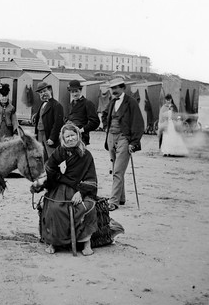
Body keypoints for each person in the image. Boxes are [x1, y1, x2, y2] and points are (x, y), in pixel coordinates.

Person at [30, 123, 98, 256]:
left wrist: (81, 192)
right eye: (67, 136)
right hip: (61, 186)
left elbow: (91, 177)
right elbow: (49, 170)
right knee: (53, 208)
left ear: (78, 135)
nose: (70, 139)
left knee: (86, 207)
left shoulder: (86, 155)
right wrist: (42, 182)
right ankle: (53, 242)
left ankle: (86, 243)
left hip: (80, 188)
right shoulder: (59, 152)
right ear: (63, 138)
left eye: (73, 135)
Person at [101, 77, 144, 211]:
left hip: (124, 138)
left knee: (118, 170)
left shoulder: (131, 102)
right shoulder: (112, 101)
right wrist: (105, 126)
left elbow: (138, 123)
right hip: (111, 137)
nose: (114, 91)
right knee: (115, 169)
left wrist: (134, 142)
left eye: (116, 88)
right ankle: (121, 198)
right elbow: (105, 114)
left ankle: (113, 202)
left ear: (123, 88)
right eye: (112, 88)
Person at [32, 81, 64, 160]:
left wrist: (52, 138)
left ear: (50, 90)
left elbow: (58, 124)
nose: (43, 94)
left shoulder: (57, 105)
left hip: (48, 135)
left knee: (52, 157)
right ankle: (45, 171)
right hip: (39, 134)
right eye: (41, 92)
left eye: (45, 91)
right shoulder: (42, 104)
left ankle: (54, 172)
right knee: (42, 156)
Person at [65, 79, 100, 146]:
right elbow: (68, 117)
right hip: (70, 136)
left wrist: (82, 130)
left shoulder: (88, 103)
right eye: (72, 92)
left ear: (80, 90)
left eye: (76, 91)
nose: (74, 94)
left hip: (82, 137)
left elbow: (95, 122)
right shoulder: (71, 104)